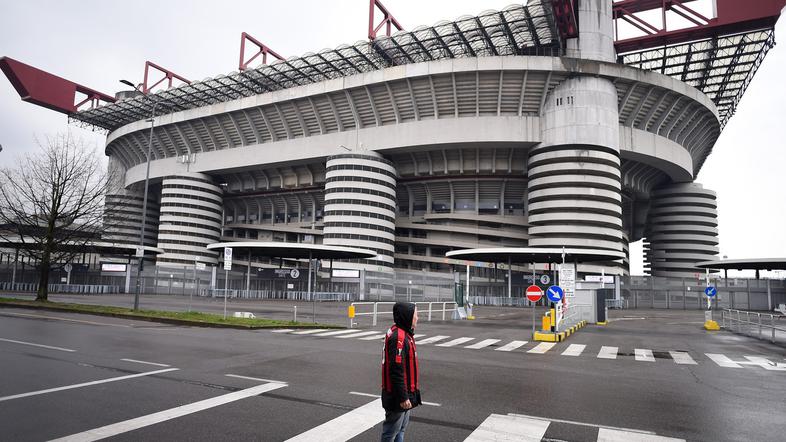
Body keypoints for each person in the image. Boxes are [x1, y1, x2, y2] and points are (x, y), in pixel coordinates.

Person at [380, 302, 421, 442]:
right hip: (398, 396)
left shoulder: (402, 332)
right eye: (415, 314)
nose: (417, 317)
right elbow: (396, 371)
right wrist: (403, 397)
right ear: (407, 316)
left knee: (400, 430)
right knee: (391, 432)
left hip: (404, 394)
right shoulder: (399, 338)